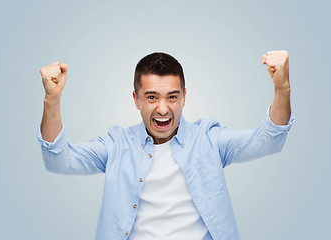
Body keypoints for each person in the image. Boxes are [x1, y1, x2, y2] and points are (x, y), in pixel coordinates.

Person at [38, 51, 295, 240]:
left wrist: (282, 87)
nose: (163, 109)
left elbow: (269, 141)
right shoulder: (117, 145)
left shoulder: (209, 139)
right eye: (151, 97)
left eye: (172, 97)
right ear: (136, 100)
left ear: (184, 97)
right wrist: (52, 99)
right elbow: (58, 160)